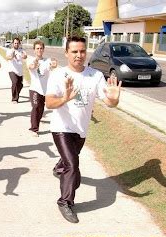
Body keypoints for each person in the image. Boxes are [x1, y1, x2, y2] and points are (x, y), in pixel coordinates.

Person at [45, 36, 121, 223]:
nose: (79, 55)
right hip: (61, 128)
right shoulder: (58, 75)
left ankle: (59, 167)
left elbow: (109, 103)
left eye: (82, 51)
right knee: (73, 166)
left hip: (81, 130)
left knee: (69, 166)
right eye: (74, 52)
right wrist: (65, 98)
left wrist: (114, 99)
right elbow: (49, 102)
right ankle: (65, 202)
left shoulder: (94, 75)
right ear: (66, 53)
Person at [27, 40, 57, 137]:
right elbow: (31, 66)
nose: (39, 50)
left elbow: (52, 67)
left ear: (43, 49)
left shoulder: (47, 61)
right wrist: (35, 64)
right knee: (35, 107)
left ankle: (37, 122)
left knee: (41, 109)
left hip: (45, 90)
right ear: (34, 50)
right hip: (34, 89)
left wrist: (54, 65)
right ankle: (33, 129)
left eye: (41, 48)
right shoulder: (30, 59)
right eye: (37, 48)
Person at [5, 37, 27, 103]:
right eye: (15, 43)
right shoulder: (10, 50)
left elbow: (25, 56)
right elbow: (7, 57)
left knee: (20, 85)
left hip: (20, 71)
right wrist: (12, 56)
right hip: (12, 70)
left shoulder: (22, 50)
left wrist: (24, 56)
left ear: (19, 44)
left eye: (17, 43)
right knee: (15, 82)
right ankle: (14, 99)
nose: (16, 44)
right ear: (12, 43)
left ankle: (16, 93)